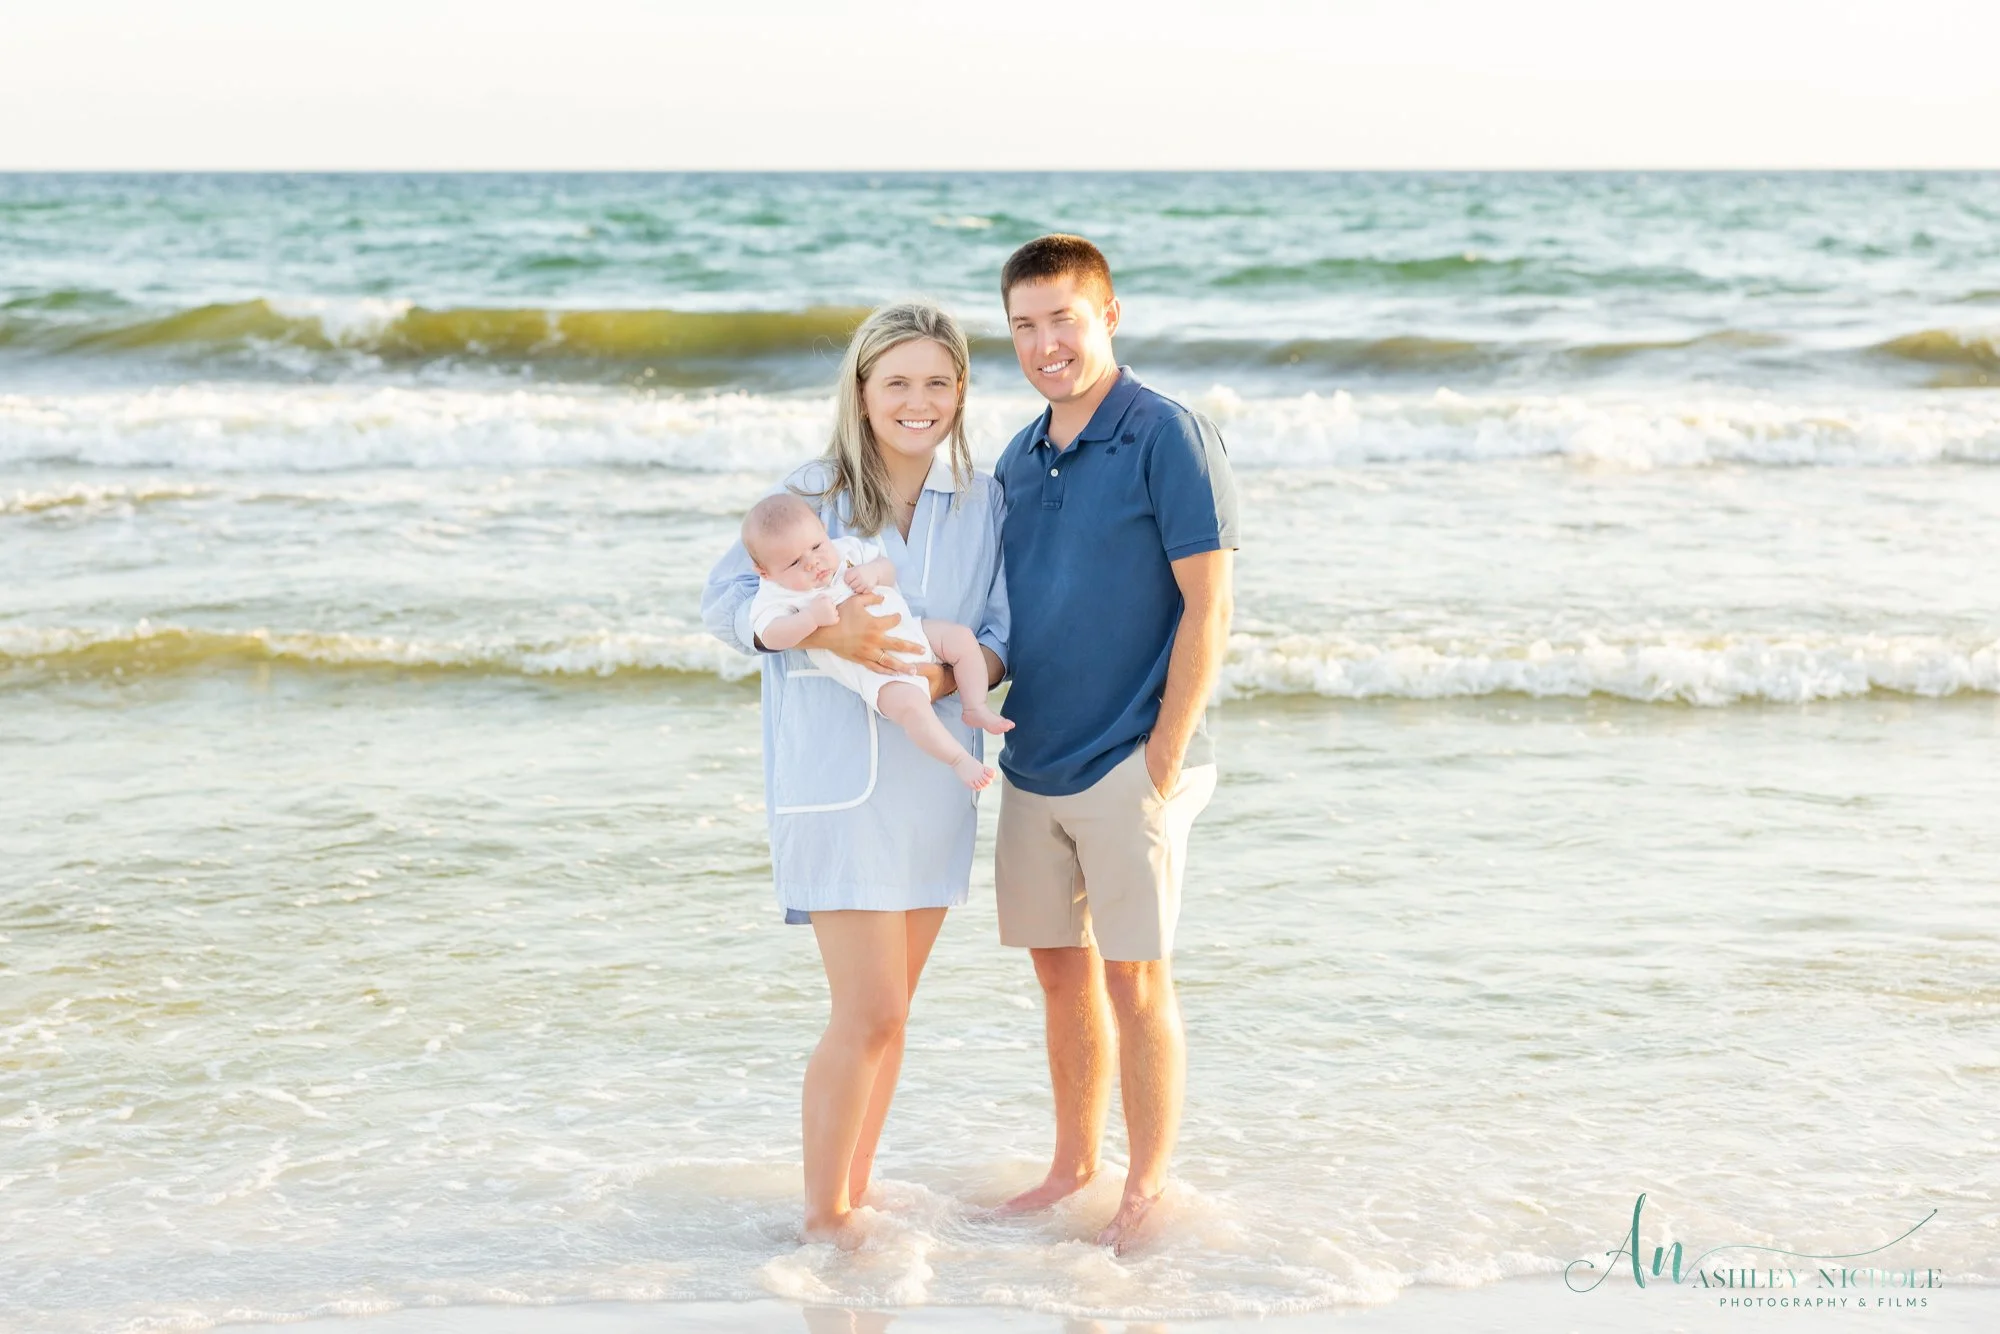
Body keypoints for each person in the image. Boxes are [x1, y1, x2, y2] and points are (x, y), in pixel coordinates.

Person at [700, 301, 1008, 1246]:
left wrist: (960, 671)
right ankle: (823, 1219)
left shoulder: (985, 500)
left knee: (893, 1015)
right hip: (836, 783)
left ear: (960, 391)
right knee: (866, 1011)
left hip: (935, 776)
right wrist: (830, 628)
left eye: (937, 382)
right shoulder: (808, 495)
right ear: (863, 393)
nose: (918, 402)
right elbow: (725, 607)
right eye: (896, 383)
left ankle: (854, 1192)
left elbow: (998, 635)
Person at [988, 235, 1239, 1253]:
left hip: (1130, 757)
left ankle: (1145, 1181)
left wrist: (1164, 752)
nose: (1045, 344)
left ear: (1107, 316)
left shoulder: (1166, 435)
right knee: (1058, 973)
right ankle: (1070, 1165)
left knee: (1137, 978)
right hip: (1032, 758)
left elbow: (1209, 604)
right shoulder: (1016, 453)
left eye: (1063, 319)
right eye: (1023, 326)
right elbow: (1011, 613)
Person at [738, 491, 1011, 790]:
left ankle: (975, 706)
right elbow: (770, 635)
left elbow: (887, 567)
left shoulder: (845, 551)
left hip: (914, 632)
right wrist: (810, 620)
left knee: (961, 639)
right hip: (877, 675)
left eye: (816, 546)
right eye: (794, 563)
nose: (813, 563)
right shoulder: (775, 595)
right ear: (764, 572)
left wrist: (872, 573)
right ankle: (959, 759)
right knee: (912, 708)